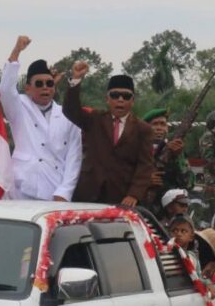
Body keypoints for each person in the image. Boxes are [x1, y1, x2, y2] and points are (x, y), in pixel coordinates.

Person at [0, 36, 83, 201]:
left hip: (55, 189)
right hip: (20, 189)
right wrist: (16, 51)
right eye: (39, 84)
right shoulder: (19, 106)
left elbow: (74, 157)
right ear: (28, 88)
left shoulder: (67, 115)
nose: (45, 87)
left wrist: (64, 192)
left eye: (49, 84)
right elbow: (6, 89)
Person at [63, 73, 154, 206]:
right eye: (115, 95)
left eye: (126, 96)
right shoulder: (94, 119)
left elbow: (145, 165)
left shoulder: (143, 129)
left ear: (133, 100)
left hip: (122, 198)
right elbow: (70, 110)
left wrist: (133, 194)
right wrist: (76, 79)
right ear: (107, 99)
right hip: (88, 193)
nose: (120, 99)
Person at [143, 108, 194, 213]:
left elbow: (189, 183)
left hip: (169, 210)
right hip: (142, 207)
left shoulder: (174, 150)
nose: (159, 128)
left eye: (163, 124)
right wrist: (144, 181)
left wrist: (178, 157)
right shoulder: (136, 149)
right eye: (155, 124)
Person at [169, 214, 215, 299]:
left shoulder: (192, 257)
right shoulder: (164, 254)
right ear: (170, 233)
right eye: (175, 230)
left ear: (191, 237)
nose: (178, 234)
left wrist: (207, 283)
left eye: (183, 231)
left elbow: (198, 277)